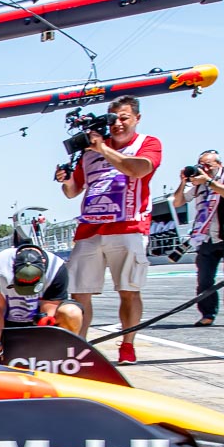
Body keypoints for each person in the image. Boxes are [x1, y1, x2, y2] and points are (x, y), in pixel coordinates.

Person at [55, 96, 161, 364]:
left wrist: (103, 149)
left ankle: (127, 345)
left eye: (124, 117)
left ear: (136, 118)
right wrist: (64, 179)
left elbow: (137, 170)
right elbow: (72, 191)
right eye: (113, 118)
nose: (118, 123)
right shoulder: (89, 152)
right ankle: (79, 348)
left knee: (128, 290)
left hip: (128, 226)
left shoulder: (147, 143)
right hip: (89, 229)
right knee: (79, 293)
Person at [173, 150, 224, 327]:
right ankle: (207, 314)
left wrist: (209, 181)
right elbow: (178, 202)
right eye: (201, 165)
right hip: (205, 237)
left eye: (208, 165)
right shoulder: (198, 183)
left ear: (219, 164)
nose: (204, 168)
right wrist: (183, 182)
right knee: (204, 279)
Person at [0, 239, 82, 356]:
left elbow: (48, 314)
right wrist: (1, 344)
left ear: (43, 264)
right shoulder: (0, 264)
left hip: (38, 321)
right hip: (11, 320)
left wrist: (41, 352)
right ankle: (14, 349)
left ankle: (66, 353)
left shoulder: (56, 267)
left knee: (72, 313)